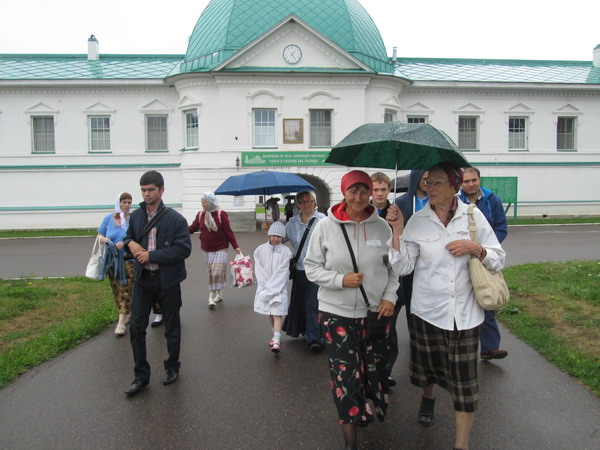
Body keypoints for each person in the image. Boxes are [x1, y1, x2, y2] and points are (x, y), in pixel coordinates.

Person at [387, 162, 505, 450]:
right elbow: (403, 267)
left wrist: (476, 248)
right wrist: (398, 230)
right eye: (428, 183)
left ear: (454, 186)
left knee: (465, 382)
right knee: (427, 369)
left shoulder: (473, 217)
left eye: (438, 183)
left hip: (464, 314)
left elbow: (499, 258)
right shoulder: (417, 220)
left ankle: (461, 444)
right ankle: (428, 398)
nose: (431, 188)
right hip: (427, 311)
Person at [304, 170, 398, 450]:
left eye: (364, 190)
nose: (359, 197)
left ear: (372, 193)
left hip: (375, 314)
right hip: (336, 314)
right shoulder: (325, 227)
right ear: (343, 193)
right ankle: (350, 441)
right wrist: (339, 280)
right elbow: (311, 267)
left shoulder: (382, 227)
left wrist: (390, 297)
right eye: (353, 191)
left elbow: (394, 269)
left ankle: (365, 407)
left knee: (373, 371)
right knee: (346, 377)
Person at [123, 171, 192, 397]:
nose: (146, 194)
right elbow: (127, 239)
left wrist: (152, 256)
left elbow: (184, 249)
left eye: (150, 190)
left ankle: (172, 367)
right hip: (144, 280)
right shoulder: (136, 216)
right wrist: (131, 243)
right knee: (136, 328)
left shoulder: (175, 219)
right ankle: (141, 376)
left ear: (162, 190)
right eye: (143, 190)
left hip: (168, 281)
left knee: (172, 328)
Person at [459, 167, 509, 360]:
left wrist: (485, 250)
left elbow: (501, 227)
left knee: (485, 295)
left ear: (479, 180)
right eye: (466, 181)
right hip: (463, 256)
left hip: (483, 256)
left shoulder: (492, 199)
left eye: (474, 180)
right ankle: (463, 346)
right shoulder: (457, 201)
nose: (471, 184)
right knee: (465, 299)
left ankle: (489, 347)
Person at [387, 169, 428, 386]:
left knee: (419, 320)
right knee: (390, 318)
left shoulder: (438, 204)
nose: (428, 181)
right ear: (416, 177)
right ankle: (386, 370)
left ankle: (421, 363)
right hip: (401, 270)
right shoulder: (401, 202)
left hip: (424, 273)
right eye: (424, 176)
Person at [283, 189, 325, 351]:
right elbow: (280, 239)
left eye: (309, 201)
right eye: (302, 202)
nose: (306, 204)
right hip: (300, 270)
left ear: (315, 203)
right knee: (300, 303)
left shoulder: (323, 221)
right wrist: (273, 232)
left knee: (313, 304)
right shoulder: (292, 223)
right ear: (298, 205)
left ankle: (315, 338)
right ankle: (304, 329)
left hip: (318, 269)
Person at [189, 192, 242, 309]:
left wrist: (235, 246)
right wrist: (180, 229)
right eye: (202, 202)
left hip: (220, 247)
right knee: (212, 272)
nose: (203, 205)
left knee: (216, 272)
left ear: (211, 202)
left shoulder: (220, 214)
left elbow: (228, 231)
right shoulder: (200, 215)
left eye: (205, 203)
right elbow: (193, 228)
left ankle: (211, 297)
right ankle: (219, 294)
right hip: (206, 249)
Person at [97, 192, 133, 336]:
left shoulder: (132, 219)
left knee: (125, 289)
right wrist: (105, 240)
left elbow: (136, 236)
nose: (127, 205)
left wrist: (124, 242)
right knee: (116, 289)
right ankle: (126, 312)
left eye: (129, 202)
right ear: (118, 203)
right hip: (111, 261)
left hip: (127, 260)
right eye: (124, 202)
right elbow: (99, 235)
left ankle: (121, 323)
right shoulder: (108, 219)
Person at [253, 221, 292, 354]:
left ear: (283, 238)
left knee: (277, 313)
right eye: (273, 235)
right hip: (264, 287)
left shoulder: (286, 252)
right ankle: (275, 334)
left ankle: (277, 340)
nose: (276, 239)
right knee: (269, 313)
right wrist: (265, 287)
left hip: (279, 288)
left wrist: (272, 288)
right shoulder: (260, 250)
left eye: (279, 236)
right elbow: (259, 270)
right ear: (269, 235)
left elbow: (283, 272)